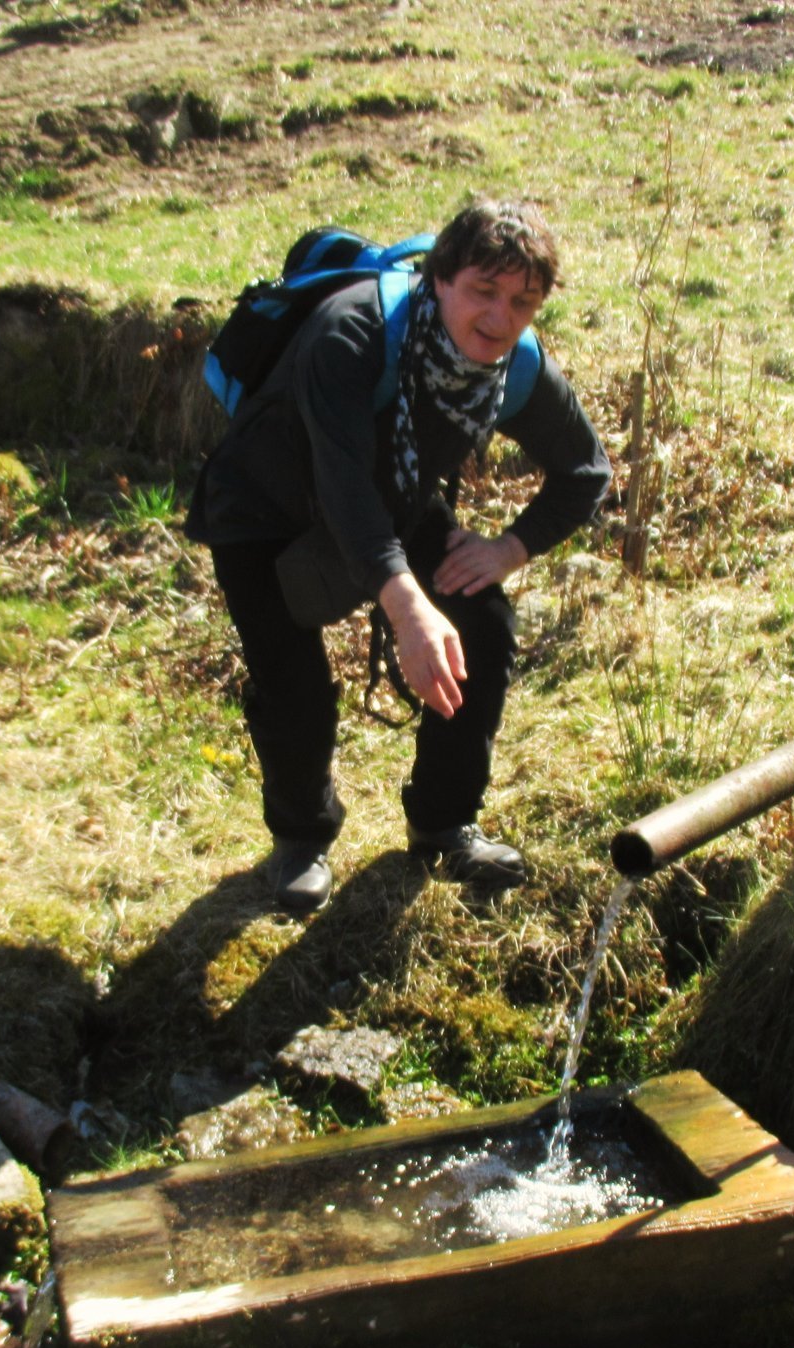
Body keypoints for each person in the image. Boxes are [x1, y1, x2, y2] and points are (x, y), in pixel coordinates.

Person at [186, 199, 611, 915]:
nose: (500, 319)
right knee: (294, 688)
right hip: (263, 505)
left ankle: (443, 824)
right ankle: (301, 836)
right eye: (483, 290)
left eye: (523, 302)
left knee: (480, 623)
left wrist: (508, 549)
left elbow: (586, 472)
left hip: (393, 494)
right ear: (440, 277)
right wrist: (408, 607)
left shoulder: (515, 367)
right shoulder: (348, 335)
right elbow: (345, 491)